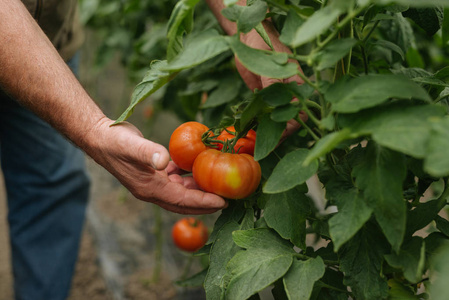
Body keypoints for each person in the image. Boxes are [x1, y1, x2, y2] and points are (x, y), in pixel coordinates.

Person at [0, 0, 305, 299]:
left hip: (49, 41)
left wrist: (245, 21)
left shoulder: (213, 146)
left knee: (53, 184)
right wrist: (92, 129)